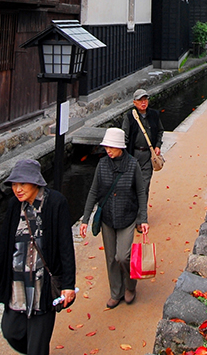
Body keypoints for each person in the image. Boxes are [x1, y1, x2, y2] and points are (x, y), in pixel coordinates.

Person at [0, 159, 76, 355]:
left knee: (37, 347)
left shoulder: (56, 203)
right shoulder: (14, 206)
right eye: (14, 184)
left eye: (22, 184)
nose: (17, 189)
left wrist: (68, 285)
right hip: (16, 283)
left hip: (41, 285)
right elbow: (3, 244)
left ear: (35, 183)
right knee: (11, 331)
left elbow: (65, 247)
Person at [79, 128, 149, 308]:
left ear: (120, 148)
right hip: (108, 217)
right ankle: (116, 292)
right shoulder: (102, 165)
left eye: (111, 147)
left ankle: (131, 286)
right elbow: (94, 191)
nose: (108, 150)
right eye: (106, 147)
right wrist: (85, 219)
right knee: (111, 258)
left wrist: (143, 218)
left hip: (127, 215)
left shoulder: (132, 165)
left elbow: (141, 192)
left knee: (123, 256)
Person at [122, 88, 164, 202]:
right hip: (133, 154)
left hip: (148, 155)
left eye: (145, 99)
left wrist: (158, 145)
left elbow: (160, 131)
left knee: (144, 186)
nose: (143, 102)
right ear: (134, 102)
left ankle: (142, 215)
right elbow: (125, 137)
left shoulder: (154, 115)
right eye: (140, 100)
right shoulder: (129, 117)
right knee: (132, 184)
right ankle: (133, 213)